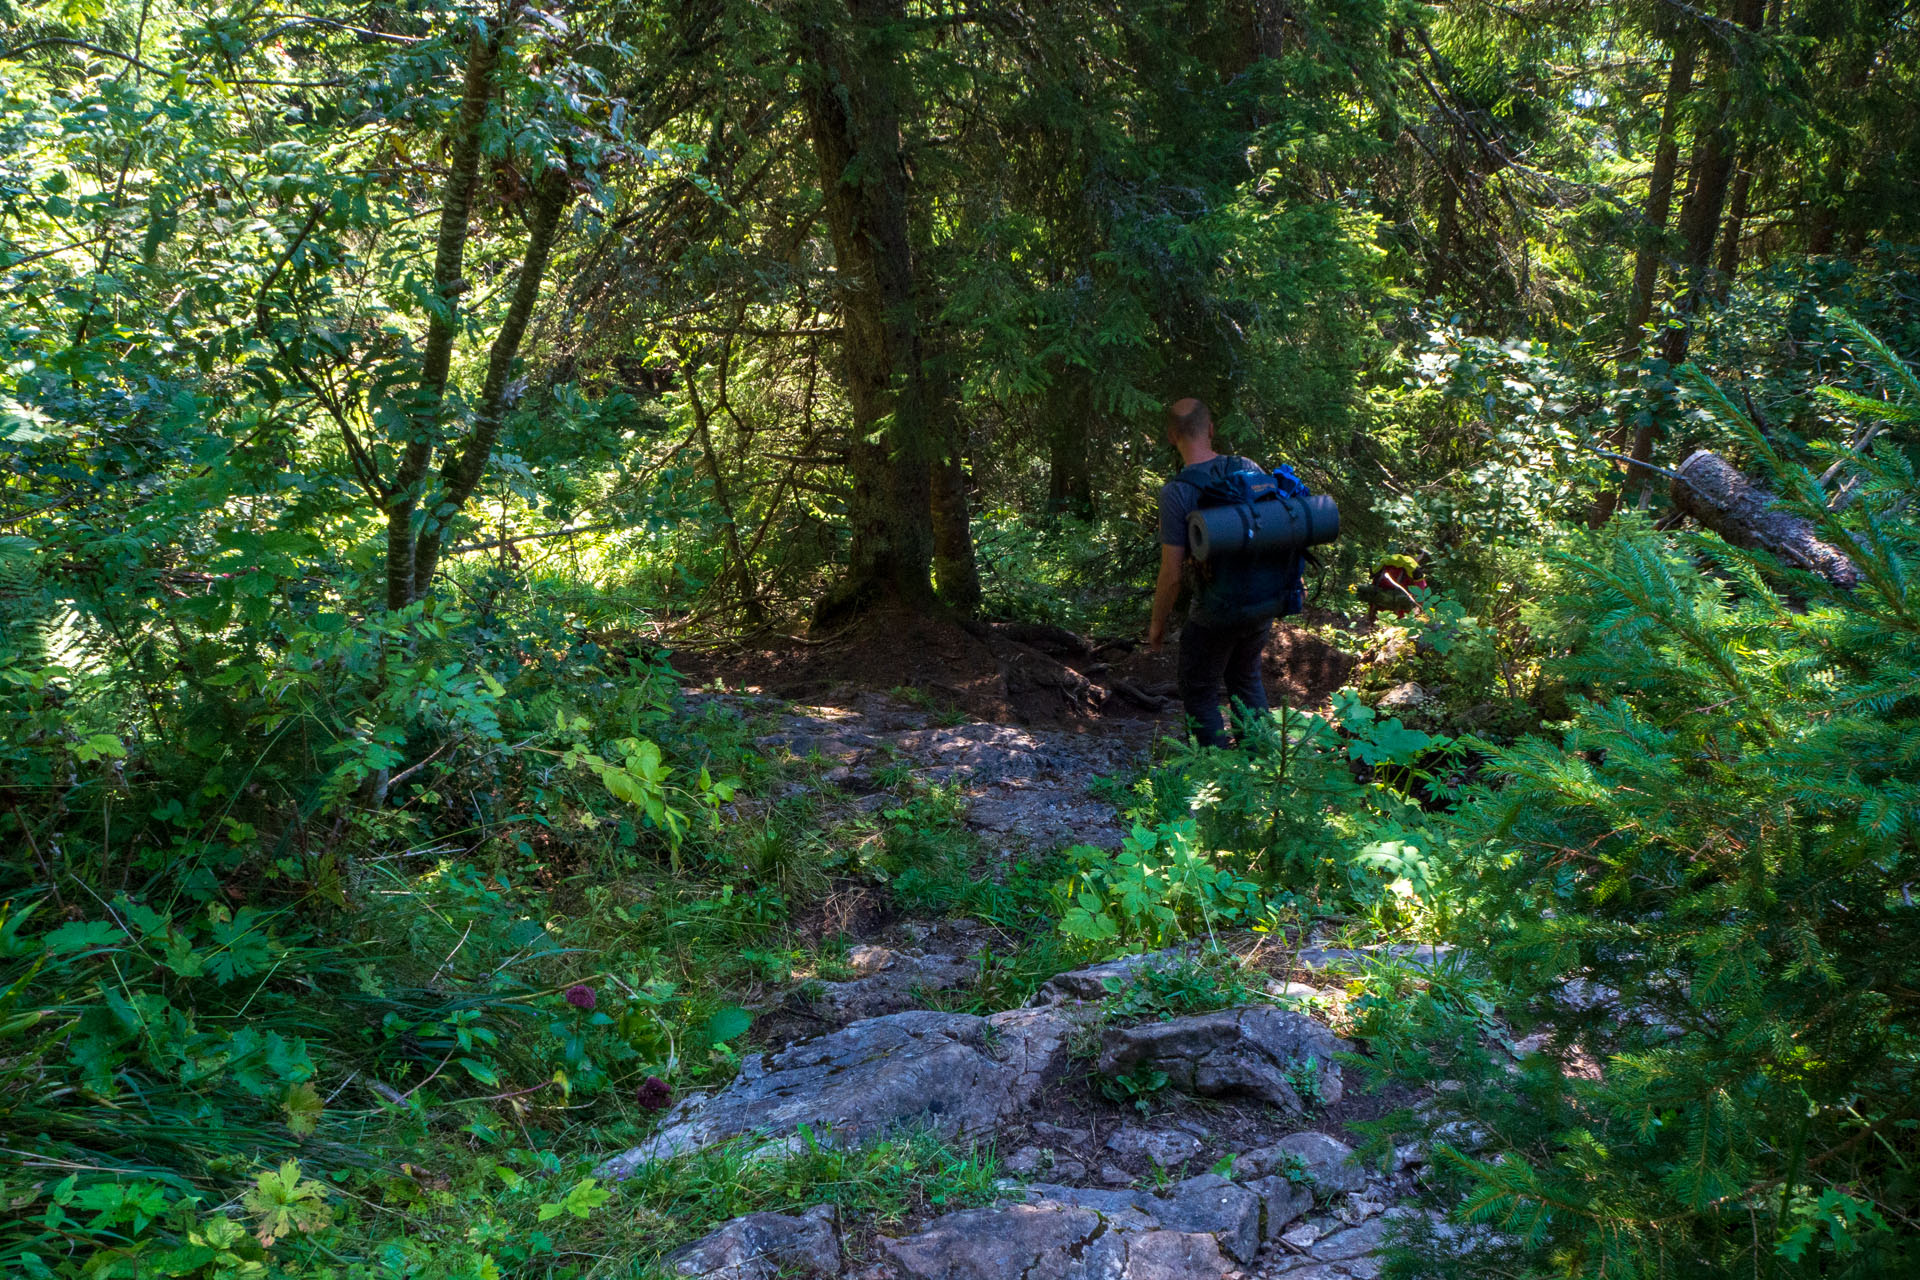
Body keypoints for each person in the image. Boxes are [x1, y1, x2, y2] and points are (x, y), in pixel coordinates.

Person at [1147, 397, 1272, 748]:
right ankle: (1263, 770)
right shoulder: (1247, 468)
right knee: (1246, 679)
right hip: (1261, 603)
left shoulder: (1177, 493)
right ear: (1212, 429)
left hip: (1214, 612)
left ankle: (1213, 778)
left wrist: (1157, 624)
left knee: (1199, 689)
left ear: (1172, 436)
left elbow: (1171, 573)